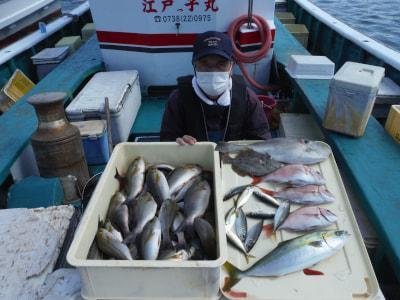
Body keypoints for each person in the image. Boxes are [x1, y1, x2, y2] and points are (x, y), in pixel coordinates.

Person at [160, 31, 271, 145]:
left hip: (234, 158)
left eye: (221, 63)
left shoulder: (247, 98)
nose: (213, 71)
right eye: (204, 63)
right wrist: (177, 142)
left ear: (231, 66)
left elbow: (261, 139)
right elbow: (166, 140)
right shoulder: (178, 99)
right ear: (194, 66)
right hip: (194, 158)